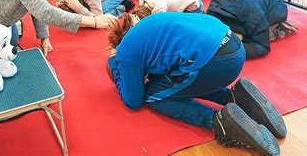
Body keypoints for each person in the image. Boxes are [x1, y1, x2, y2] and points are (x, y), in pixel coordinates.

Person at [106, 12, 286, 155]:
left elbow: (133, 100)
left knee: (153, 95)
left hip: (216, 63)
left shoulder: (124, 54)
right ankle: (234, 96)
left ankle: (219, 122)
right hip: (234, 47)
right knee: (175, 80)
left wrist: (115, 66)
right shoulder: (148, 26)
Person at [206, 0, 298, 59]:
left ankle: (278, 28)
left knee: (251, 38)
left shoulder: (255, 17)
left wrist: (228, 49)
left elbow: (262, 48)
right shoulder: (213, 9)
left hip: (276, 7)